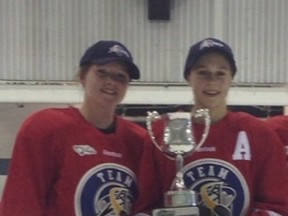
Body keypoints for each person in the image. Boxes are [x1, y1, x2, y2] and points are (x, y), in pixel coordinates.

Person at [0, 40, 157, 215]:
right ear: (82, 77)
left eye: (120, 77)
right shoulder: (46, 127)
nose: (111, 82)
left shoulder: (140, 140)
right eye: (101, 73)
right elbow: (22, 200)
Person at [150, 38, 288, 215]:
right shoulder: (163, 130)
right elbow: (146, 202)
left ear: (232, 78)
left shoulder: (258, 134)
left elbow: (276, 205)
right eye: (203, 72)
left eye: (220, 73)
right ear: (188, 77)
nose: (212, 81)